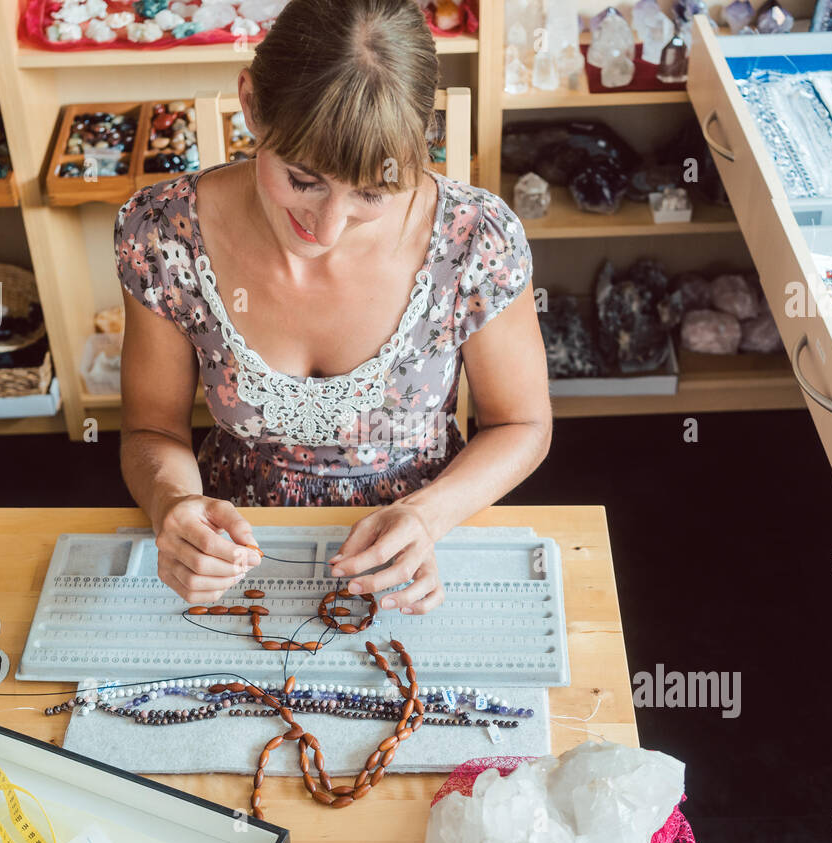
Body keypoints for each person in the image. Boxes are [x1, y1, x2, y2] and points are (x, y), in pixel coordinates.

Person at [114, 0, 550, 616]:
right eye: (303, 180)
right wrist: (173, 506)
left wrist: (429, 515)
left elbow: (521, 426)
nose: (328, 227)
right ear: (251, 105)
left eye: (371, 193)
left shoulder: (476, 240)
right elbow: (151, 431)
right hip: (237, 544)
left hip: (421, 543)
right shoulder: (161, 233)